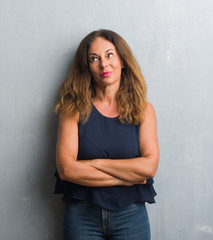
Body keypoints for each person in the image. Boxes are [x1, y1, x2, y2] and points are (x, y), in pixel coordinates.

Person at [54, 29, 159, 240]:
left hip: (131, 217)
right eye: (94, 58)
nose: (104, 64)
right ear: (87, 67)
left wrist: (97, 164)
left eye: (109, 55)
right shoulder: (71, 109)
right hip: (82, 215)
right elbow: (66, 170)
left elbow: (149, 167)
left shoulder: (144, 110)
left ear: (122, 59)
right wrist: (126, 179)